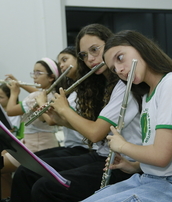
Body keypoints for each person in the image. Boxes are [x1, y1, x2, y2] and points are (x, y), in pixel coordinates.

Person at [10, 24, 143, 202]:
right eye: (84, 55)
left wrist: (64, 109)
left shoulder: (123, 85)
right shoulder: (99, 86)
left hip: (123, 163)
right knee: (26, 172)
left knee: (44, 187)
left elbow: (95, 133)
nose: (90, 59)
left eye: (95, 50)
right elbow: (92, 129)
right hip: (102, 155)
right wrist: (61, 119)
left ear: (110, 45)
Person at [82, 30, 172, 202]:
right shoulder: (146, 96)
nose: (119, 70)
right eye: (113, 69)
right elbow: (160, 157)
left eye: (120, 58)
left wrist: (123, 146)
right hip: (151, 180)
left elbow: (161, 156)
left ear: (140, 48)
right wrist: (133, 166)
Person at [2, 58, 60, 201]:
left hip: (35, 148)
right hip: (46, 144)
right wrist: (20, 84)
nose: (34, 76)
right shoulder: (53, 95)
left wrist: (14, 92)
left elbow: (10, 111)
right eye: (33, 73)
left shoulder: (37, 97)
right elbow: (37, 92)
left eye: (38, 73)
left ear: (51, 77)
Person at [34, 46, 92, 159]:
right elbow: (56, 120)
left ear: (79, 59)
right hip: (72, 145)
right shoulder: (74, 90)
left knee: (29, 169)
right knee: (32, 162)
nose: (61, 65)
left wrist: (42, 104)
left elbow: (52, 121)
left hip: (83, 147)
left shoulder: (86, 91)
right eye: (60, 62)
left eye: (64, 60)